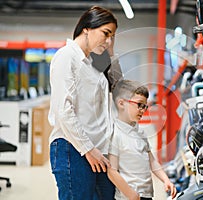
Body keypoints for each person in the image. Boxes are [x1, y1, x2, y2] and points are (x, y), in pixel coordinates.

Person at [48, 6, 122, 200]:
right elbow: (63, 109)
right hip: (73, 148)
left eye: (112, 36)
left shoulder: (93, 63)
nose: (108, 41)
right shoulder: (67, 56)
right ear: (87, 28)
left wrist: (111, 52)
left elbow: (119, 87)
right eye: (105, 34)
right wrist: (88, 149)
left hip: (98, 150)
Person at [108, 79, 177, 200]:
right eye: (139, 105)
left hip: (146, 195)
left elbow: (152, 162)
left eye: (145, 106)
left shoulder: (140, 133)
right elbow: (112, 172)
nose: (143, 110)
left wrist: (166, 180)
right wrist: (131, 194)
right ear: (121, 103)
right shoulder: (116, 134)